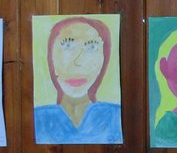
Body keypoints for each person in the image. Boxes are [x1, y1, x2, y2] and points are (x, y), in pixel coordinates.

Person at [34, 16, 122, 144]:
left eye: (91, 47)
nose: (78, 62)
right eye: (67, 45)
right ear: (51, 55)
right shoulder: (37, 119)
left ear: (104, 58)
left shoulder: (115, 116)